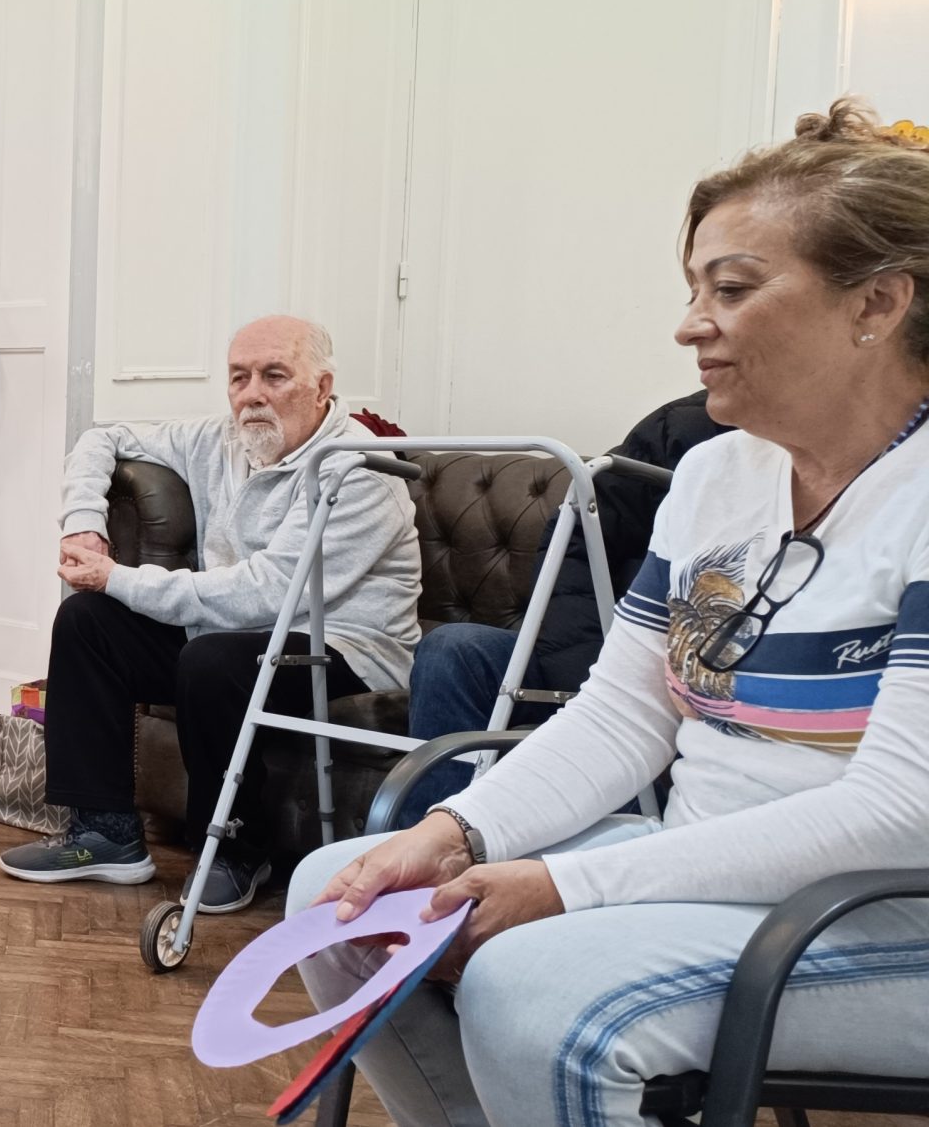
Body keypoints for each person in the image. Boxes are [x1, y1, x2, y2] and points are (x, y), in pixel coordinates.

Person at [293, 98, 929, 1127]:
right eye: (694, 289)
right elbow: (624, 713)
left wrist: (565, 888)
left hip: (885, 919)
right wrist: (459, 830)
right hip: (712, 879)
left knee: (532, 983)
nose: (689, 324)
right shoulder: (715, 476)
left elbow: (900, 811)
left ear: (878, 303)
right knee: (339, 902)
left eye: (731, 288)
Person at [0, 316, 422, 914]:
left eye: (275, 376)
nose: (252, 394)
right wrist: (84, 522)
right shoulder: (220, 439)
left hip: (346, 649)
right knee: (88, 623)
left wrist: (119, 577)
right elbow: (102, 437)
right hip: (231, 633)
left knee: (212, 660)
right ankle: (104, 834)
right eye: (239, 377)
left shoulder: (360, 469)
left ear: (322, 388)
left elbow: (270, 593)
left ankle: (235, 850)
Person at [394, 392, 730, 824]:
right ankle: (425, 837)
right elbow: (576, 542)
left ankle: (612, 842)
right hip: (592, 646)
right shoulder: (681, 426)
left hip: (685, 670)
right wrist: (589, 671)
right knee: (454, 649)